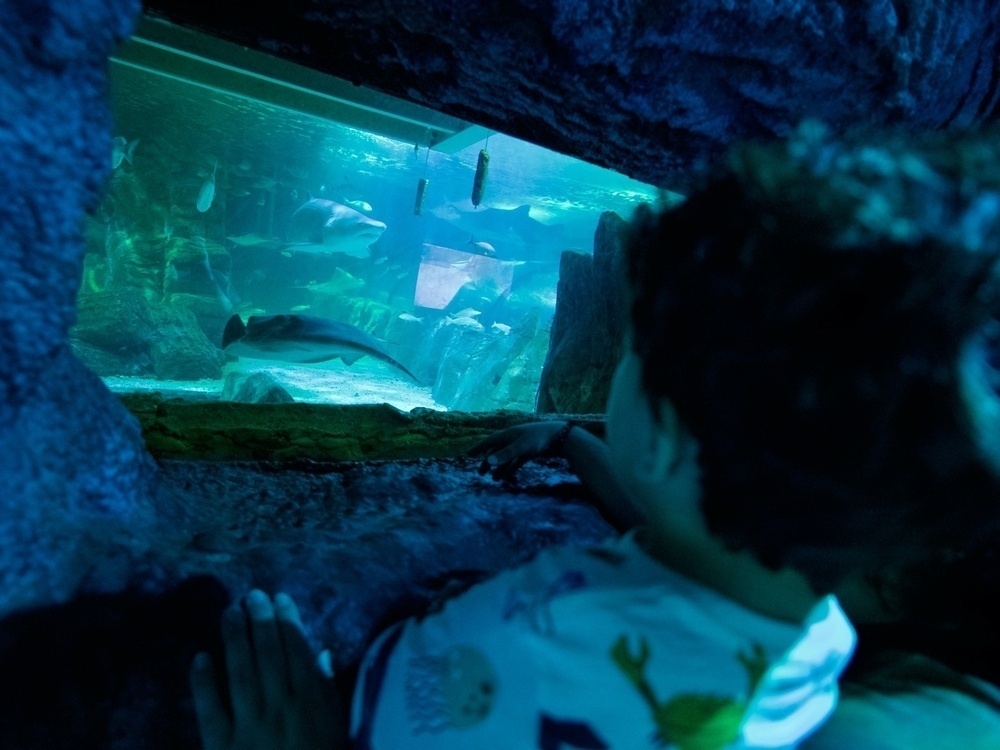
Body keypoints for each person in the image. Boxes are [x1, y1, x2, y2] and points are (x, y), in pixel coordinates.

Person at [188, 122, 1000, 748]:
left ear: (673, 436)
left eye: (631, 351)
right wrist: (574, 444)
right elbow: (678, 525)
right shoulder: (803, 607)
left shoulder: (582, 686)